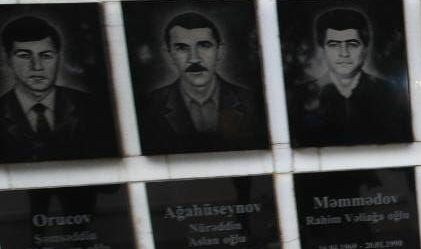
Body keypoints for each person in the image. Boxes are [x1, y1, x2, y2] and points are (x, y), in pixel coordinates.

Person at [138, 11, 267, 155]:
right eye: (181, 48)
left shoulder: (252, 101)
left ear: (219, 51)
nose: (194, 59)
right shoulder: (150, 106)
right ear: (169, 55)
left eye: (204, 45)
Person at [287, 7, 410, 147]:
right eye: (333, 45)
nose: (343, 53)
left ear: (365, 48)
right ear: (323, 49)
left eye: (352, 44)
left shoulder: (391, 93)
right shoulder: (300, 96)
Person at [0, 15, 115, 163]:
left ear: (58, 58)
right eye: (24, 56)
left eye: (46, 56)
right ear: (8, 60)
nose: (37, 66)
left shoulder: (94, 108)